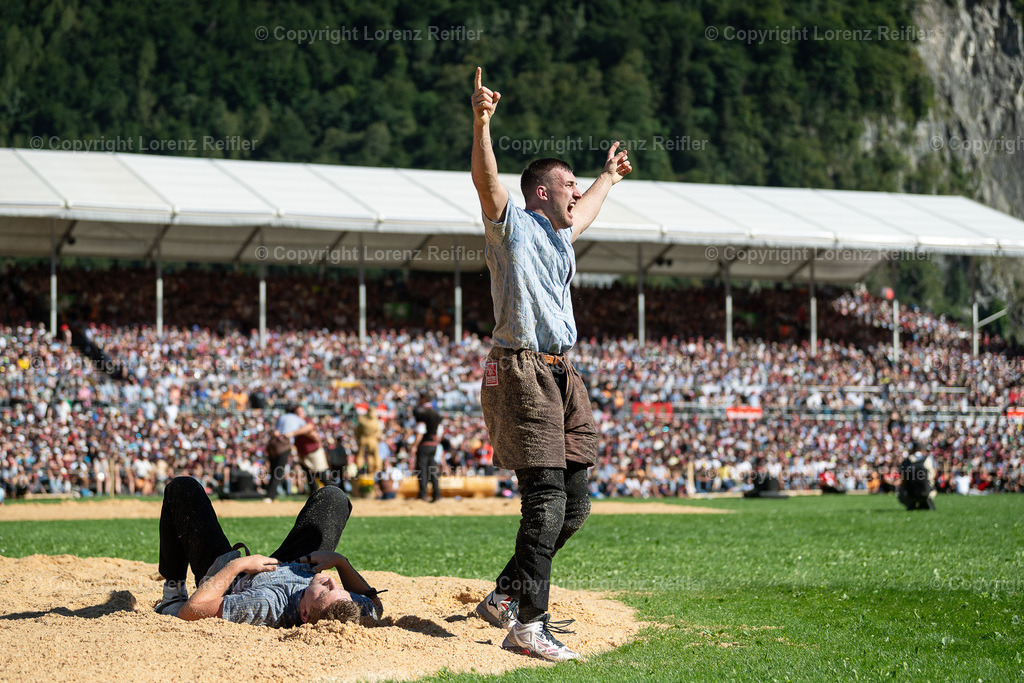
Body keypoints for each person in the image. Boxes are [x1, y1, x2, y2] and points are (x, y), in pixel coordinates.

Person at [469, 66, 631, 661]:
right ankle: (528, 624)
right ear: (541, 191)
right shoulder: (511, 227)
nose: (576, 193)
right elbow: (486, 180)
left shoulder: (562, 234)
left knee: (576, 504)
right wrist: (483, 123)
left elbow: (586, 208)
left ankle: (507, 595)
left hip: (565, 372)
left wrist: (608, 177)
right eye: (569, 185)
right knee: (545, 500)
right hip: (521, 368)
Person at [155, 476, 384, 626]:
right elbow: (375, 605)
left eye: (326, 591)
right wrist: (340, 562)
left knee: (182, 488)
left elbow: (190, 611)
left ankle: (172, 592)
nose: (332, 582)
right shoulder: (345, 607)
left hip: (238, 579)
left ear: (304, 614)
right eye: (340, 589)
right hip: (296, 566)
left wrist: (239, 565)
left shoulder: (265, 603)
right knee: (334, 497)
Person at [276, 404, 331, 493]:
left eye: (301, 412)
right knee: (310, 480)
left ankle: (338, 495)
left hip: (314, 453)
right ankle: (314, 498)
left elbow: (309, 428)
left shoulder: (306, 421)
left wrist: (293, 433)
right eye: (298, 413)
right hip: (303, 455)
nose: (300, 414)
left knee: (322, 477)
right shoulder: (294, 423)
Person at [412, 392, 443, 502]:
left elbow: (420, 431)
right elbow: (439, 433)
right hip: (433, 445)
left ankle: (423, 494)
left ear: (423, 399)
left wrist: (414, 446)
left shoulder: (422, 413)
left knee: (422, 470)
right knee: (432, 469)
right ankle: (437, 494)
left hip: (424, 445)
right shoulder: (436, 414)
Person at [355, 406, 382, 475]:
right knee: (372, 455)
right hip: (372, 440)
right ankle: (375, 470)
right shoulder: (376, 421)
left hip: (363, 439)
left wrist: (359, 437)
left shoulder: (362, 420)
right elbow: (379, 433)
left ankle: (359, 468)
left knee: (360, 455)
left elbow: (357, 431)